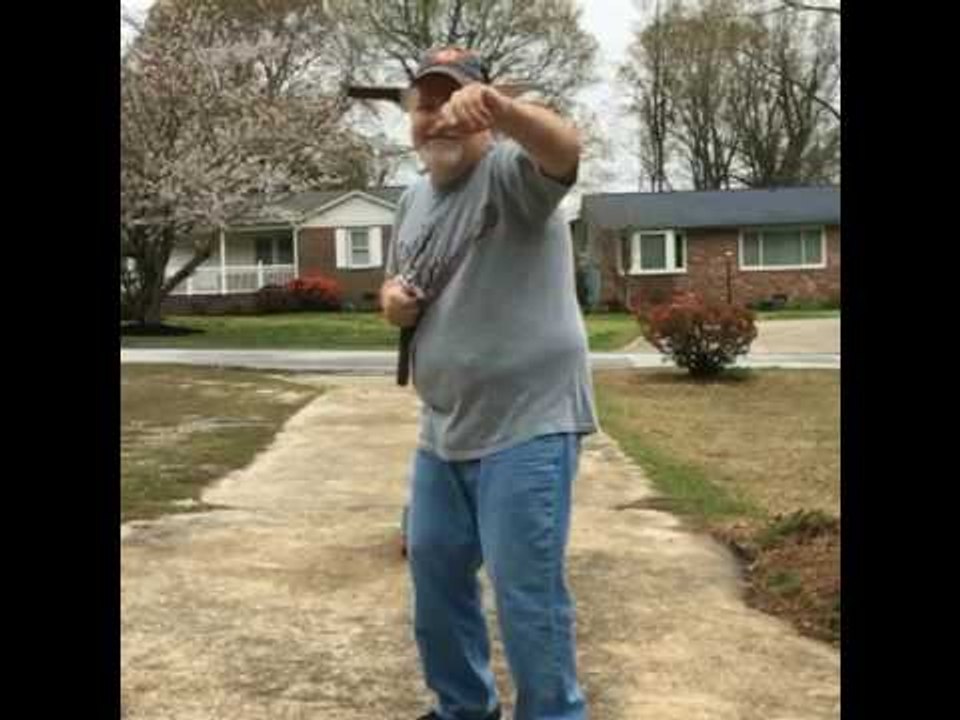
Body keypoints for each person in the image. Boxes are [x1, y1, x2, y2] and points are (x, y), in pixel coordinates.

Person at [381, 46, 598, 720]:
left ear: (482, 115)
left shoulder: (511, 174)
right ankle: (463, 709)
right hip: (443, 426)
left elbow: (565, 148)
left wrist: (507, 109)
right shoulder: (412, 198)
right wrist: (391, 301)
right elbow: (398, 285)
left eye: (455, 103)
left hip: (528, 424)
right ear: (409, 117)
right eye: (425, 105)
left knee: (526, 595)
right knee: (436, 583)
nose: (438, 118)